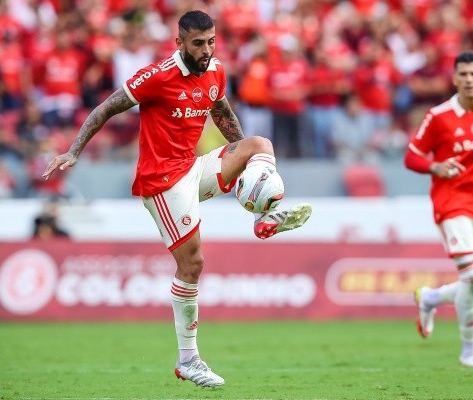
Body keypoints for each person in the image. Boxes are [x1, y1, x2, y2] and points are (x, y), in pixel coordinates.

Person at [42, 10, 312, 388]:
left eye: (211, 42)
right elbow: (106, 108)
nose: (206, 50)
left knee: (258, 145)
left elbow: (223, 115)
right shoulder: (157, 76)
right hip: (162, 181)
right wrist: (74, 150)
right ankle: (188, 360)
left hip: (192, 168)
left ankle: (263, 215)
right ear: (180, 42)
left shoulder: (215, 71)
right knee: (193, 264)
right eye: (198, 43)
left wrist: (245, 167)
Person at [404, 51, 473, 368]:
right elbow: (411, 157)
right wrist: (435, 167)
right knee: (472, 277)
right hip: (450, 202)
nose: (468, 79)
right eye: (462, 74)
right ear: (454, 78)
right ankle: (469, 351)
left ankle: (430, 298)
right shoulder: (439, 116)